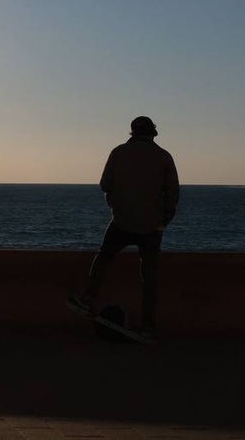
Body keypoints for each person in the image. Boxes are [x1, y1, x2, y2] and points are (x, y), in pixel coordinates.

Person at [69, 116, 180, 341]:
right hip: (152, 226)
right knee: (149, 277)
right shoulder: (164, 157)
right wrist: (163, 221)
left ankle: (88, 298)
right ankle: (148, 326)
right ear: (153, 133)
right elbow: (173, 194)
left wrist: (116, 203)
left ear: (132, 132)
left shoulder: (118, 153)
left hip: (121, 221)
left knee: (104, 257)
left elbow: (105, 185)